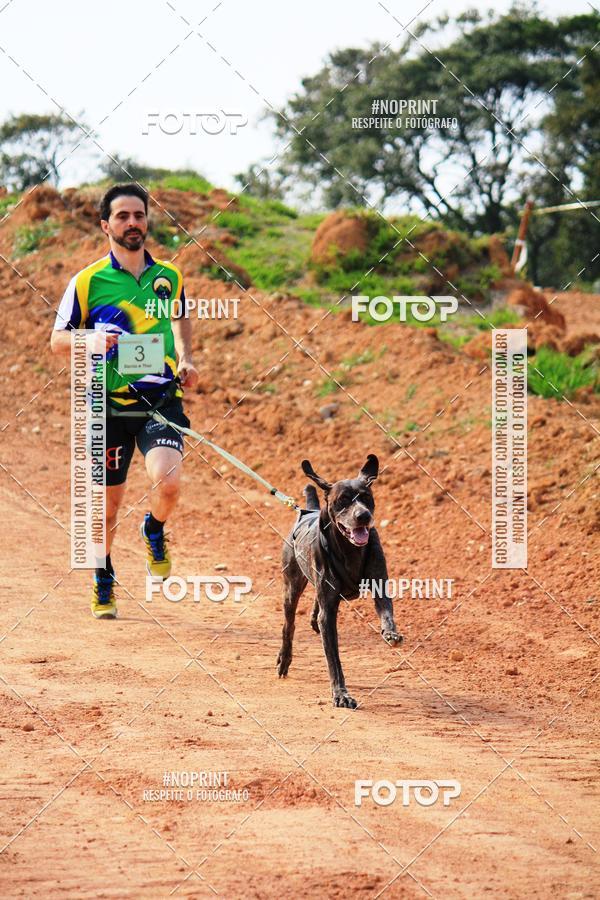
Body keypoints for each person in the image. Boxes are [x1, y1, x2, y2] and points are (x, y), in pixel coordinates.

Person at [50, 182, 198, 619]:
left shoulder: (168, 277)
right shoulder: (87, 281)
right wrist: (91, 338)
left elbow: (180, 317)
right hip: (106, 406)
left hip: (159, 401)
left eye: (138, 215)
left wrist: (186, 358)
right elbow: (56, 340)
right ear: (105, 225)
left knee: (168, 484)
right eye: (122, 216)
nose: (132, 223)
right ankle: (103, 575)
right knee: (106, 509)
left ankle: (154, 528)